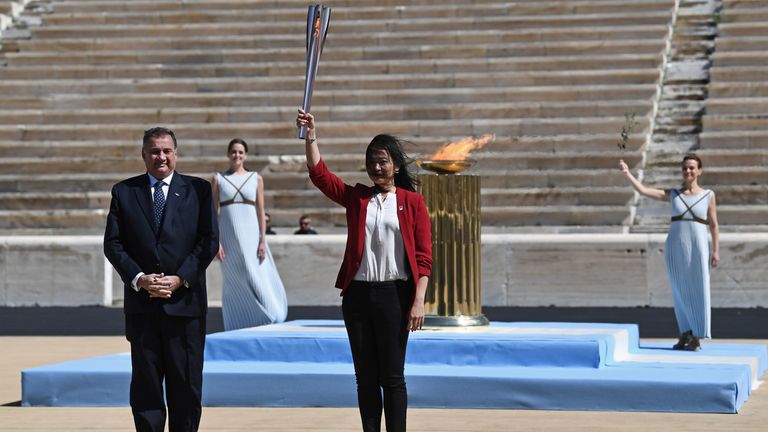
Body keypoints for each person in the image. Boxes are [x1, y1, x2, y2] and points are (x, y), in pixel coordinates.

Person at [297, 109, 432, 432]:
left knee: (393, 376)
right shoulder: (358, 198)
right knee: (365, 377)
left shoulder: (413, 202)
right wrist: (311, 135)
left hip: (394, 296)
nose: (376, 167)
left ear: (396, 165)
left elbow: (424, 257)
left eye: (383, 160)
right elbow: (320, 176)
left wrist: (418, 300)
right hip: (357, 297)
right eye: (371, 160)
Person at [103, 127, 219, 432]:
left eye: (167, 150)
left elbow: (208, 241)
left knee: (186, 387)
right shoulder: (124, 192)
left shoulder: (199, 190)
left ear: (176, 154)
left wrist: (181, 278)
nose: (161, 157)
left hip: (185, 308)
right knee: (146, 388)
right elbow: (113, 244)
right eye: (154, 151)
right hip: (143, 309)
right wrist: (140, 278)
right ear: (143, 155)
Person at [619, 154, 719, 351]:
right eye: (685, 168)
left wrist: (716, 251)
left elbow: (714, 225)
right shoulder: (673, 194)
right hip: (675, 246)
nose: (688, 171)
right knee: (679, 291)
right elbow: (643, 190)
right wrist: (627, 173)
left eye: (691, 168)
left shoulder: (708, 195)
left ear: (699, 170)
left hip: (698, 247)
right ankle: (684, 334)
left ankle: (697, 337)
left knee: (699, 289)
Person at [211, 138, 287, 330]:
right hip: (228, 237)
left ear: (245, 155)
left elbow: (261, 212)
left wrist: (262, 240)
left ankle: (271, 314)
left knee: (257, 274)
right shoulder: (218, 179)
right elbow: (213, 213)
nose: (237, 155)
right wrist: (216, 242)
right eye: (234, 151)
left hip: (252, 236)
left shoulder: (255, 178)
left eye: (240, 152)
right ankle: (237, 321)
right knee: (233, 278)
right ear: (228, 154)